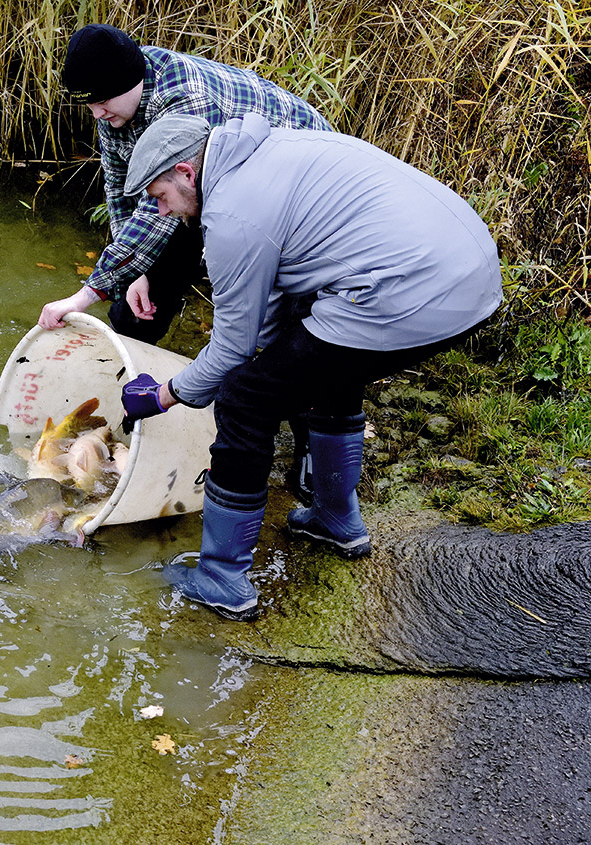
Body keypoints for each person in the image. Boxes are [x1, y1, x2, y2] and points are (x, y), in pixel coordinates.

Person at [118, 112, 503, 621]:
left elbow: (234, 349)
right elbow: (277, 306)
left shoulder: (231, 216)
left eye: (158, 196)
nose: (160, 210)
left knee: (245, 401)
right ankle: (335, 520)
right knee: (326, 362)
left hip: (414, 290)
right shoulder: (266, 151)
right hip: (470, 273)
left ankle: (222, 579)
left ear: (187, 173)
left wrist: (165, 393)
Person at [38, 23, 331, 498]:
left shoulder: (185, 101)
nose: (96, 114)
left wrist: (83, 293)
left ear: (128, 83)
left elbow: (170, 210)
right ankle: (128, 413)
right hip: (199, 191)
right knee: (132, 306)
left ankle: (309, 452)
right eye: (88, 104)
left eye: (101, 102)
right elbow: (125, 195)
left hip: (288, 192)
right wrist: (133, 273)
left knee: (289, 329)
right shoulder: (114, 106)